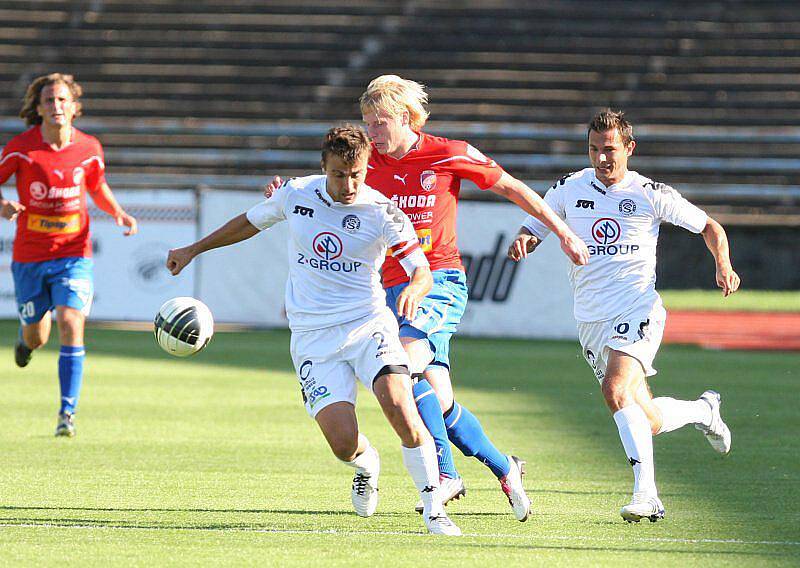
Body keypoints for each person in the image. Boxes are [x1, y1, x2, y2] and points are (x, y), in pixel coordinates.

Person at [266, 75, 589, 522]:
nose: (373, 132)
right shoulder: (363, 162)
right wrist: (284, 191)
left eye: (379, 122)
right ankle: (504, 466)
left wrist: (565, 233)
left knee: (406, 364)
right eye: (368, 122)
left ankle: (445, 475)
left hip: (436, 281)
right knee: (437, 398)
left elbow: (513, 187)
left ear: (406, 117)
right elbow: (320, 188)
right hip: (387, 291)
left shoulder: (448, 152)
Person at [167, 125, 461, 536]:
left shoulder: (382, 210)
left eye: (357, 173)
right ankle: (366, 462)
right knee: (343, 444)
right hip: (312, 338)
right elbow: (248, 224)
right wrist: (192, 250)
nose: (349, 184)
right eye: (340, 174)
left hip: (368, 325)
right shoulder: (297, 194)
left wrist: (415, 287)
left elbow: (422, 270)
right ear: (324, 166)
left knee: (400, 406)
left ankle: (433, 510)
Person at [508, 109, 739, 523]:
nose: (601, 158)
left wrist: (722, 263)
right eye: (594, 149)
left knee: (615, 390)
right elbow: (535, 225)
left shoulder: (650, 193)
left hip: (637, 308)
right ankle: (704, 411)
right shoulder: (568, 187)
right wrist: (524, 240)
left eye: (610, 149)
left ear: (629, 148)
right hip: (590, 319)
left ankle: (647, 496)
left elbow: (710, 227)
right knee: (645, 420)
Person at [0, 73, 137, 437]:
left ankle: (67, 413)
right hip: (29, 256)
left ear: (74, 107)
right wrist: (2, 204)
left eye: (62, 100)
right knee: (37, 338)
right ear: (39, 108)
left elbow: (97, 185)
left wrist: (117, 211)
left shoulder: (89, 147)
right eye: (49, 101)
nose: (56, 106)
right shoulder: (21, 147)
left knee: (71, 321)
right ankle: (24, 339)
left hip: (75, 252)